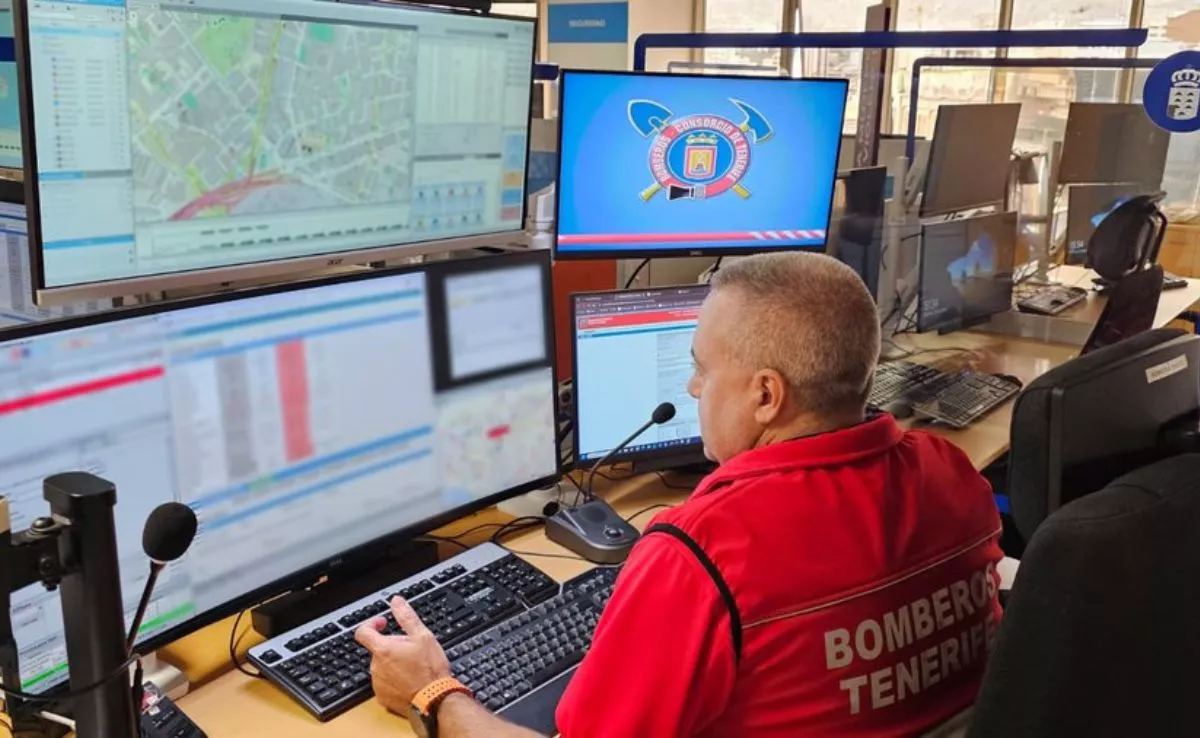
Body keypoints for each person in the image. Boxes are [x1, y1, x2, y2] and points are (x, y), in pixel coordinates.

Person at [356, 252, 1004, 737]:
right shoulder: (952, 475)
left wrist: (434, 692)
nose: (694, 390)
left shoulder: (703, 553)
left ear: (765, 395)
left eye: (701, 367)